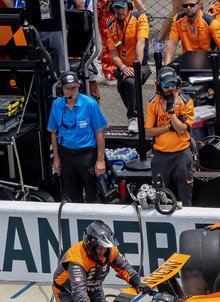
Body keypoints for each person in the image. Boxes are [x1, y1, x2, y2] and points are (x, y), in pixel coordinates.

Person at [48, 71, 108, 203]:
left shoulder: (90, 104)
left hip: (86, 155)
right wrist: (56, 158)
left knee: (93, 195)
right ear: (62, 89)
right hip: (66, 155)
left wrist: (100, 160)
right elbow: (53, 132)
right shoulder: (57, 105)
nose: (71, 92)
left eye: (74, 88)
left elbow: (99, 133)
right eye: (68, 89)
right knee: (73, 196)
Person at [144, 67, 195, 207]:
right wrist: (168, 127)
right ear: (159, 85)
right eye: (166, 85)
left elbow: (181, 130)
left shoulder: (186, 101)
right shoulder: (153, 102)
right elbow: (148, 132)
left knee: (186, 195)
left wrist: (171, 112)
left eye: (173, 84)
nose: (171, 88)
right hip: (160, 155)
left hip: (181, 154)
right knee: (159, 195)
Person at [106, 0, 151, 133]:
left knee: (131, 82)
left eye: (122, 7)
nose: (119, 11)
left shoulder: (139, 18)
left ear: (129, 6)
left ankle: (134, 117)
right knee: (121, 86)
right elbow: (113, 54)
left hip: (141, 65)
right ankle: (136, 117)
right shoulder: (111, 26)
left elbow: (140, 43)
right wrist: (124, 68)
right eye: (116, 8)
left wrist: (135, 66)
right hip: (123, 67)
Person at [164, 0, 220, 65]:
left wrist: (217, 65)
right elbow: (171, 45)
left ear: (199, 4)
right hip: (188, 60)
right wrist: (166, 67)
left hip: (208, 62)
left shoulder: (210, 22)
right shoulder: (178, 19)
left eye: (192, 5)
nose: (188, 8)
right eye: (185, 6)